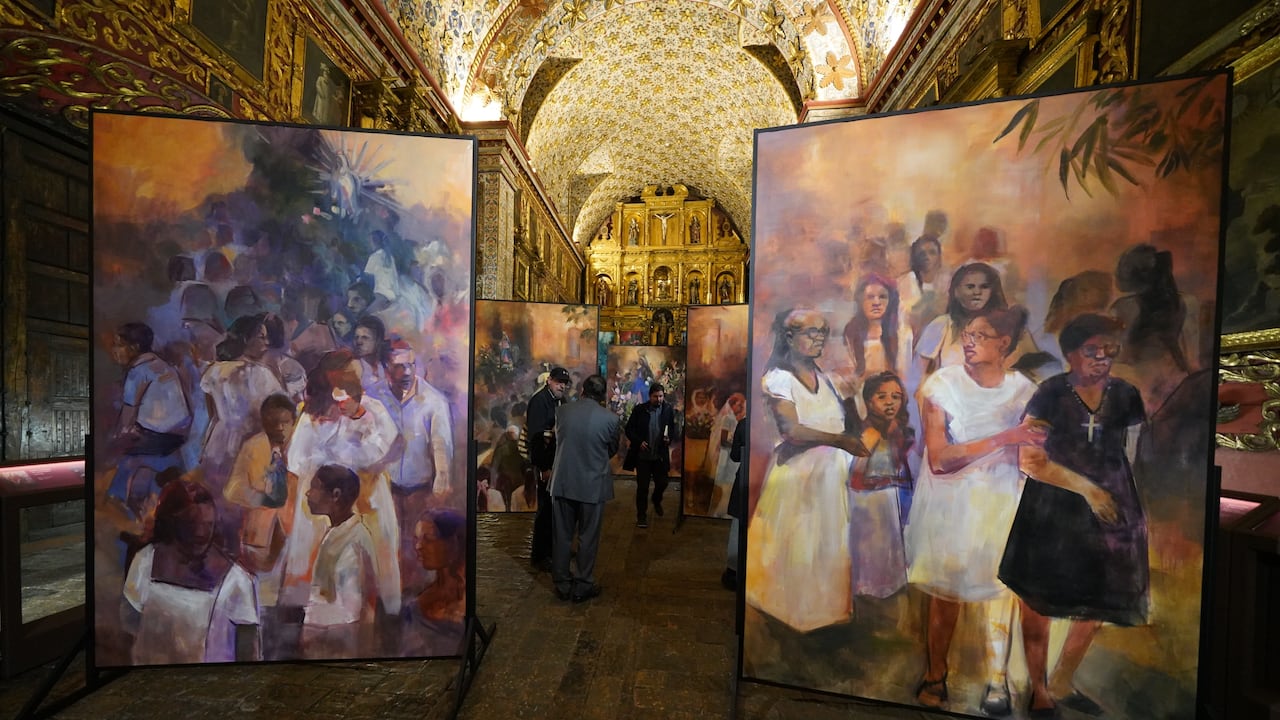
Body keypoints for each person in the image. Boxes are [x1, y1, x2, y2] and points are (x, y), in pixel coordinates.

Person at [999, 314, 1147, 717]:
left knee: (1100, 600)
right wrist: (1089, 489)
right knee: (1038, 600)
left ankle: (1063, 680)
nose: (1102, 359)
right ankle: (1039, 690)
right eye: (1091, 351)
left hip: (1109, 509)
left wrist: (1120, 498)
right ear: (1069, 354)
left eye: (1109, 352)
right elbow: (1030, 459)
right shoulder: (1050, 393)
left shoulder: (1127, 395)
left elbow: (1130, 454)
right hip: (1053, 507)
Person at [904, 307, 1043, 716]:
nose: (968, 341)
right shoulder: (942, 385)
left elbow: (1032, 453)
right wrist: (1006, 437)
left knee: (1000, 591)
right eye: (967, 334)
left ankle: (996, 682)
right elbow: (940, 459)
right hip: (951, 504)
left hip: (1000, 500)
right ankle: (936, 674)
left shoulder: (1023, 389)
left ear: (1005, 343)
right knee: (946, 592)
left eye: (981, 335)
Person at [744, 309, 868, 632]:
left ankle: (825, 615)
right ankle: (790, 618)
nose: (818, 340)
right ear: (789, 337)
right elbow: (792, 431)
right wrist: (840, 440)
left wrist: (853, 401)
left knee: (826, 546)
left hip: (829, 481)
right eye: (811, 333)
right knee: (796, 546)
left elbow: (849, 424)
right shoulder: (778, 379)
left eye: (823, 334)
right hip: (797, 481)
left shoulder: (827, 381)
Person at [123, 480, 259, 664]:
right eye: (190, 524)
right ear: (171, 523)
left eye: (208, 525)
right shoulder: (146, 561)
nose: (200, 533)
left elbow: (248, 654)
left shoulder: (237, 581)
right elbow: (129, 628)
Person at [381, 339, 454, 587]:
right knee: (386, 547)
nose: (407, 372)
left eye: (411, 365)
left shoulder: (434, 402)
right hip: (383, 492)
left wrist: (439, 489)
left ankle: (415, 599)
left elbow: (442, 449)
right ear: (385, 368)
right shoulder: (374, 398)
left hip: (419, 492)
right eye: (399, 366)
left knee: (417, 549)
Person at [106, 322, 192, 516]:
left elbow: (128, 415)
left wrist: (117, 437)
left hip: (155, 437)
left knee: (124, 450)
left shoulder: (138, 371)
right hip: (177, 436)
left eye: (118, 345)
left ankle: (118, 498)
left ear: (134, 348)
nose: (114, 350)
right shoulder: (164, 366)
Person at [548, 374, 622, 602]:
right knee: (588, 537)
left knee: (562, 535)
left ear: (582, 391)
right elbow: (611, 450)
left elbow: (558, 441)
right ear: (601, 397)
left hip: (563, 481)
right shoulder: (610, 419)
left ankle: (561, 583)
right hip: (592, 484)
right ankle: (582, 584)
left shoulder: (562, 412)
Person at [223, 394, 297, 608]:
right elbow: (232, 489)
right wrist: (260, 497)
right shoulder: (252, 447)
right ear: (264, 421)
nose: (281, 429)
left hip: (293, 535)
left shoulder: (303, 448)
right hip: (258, 537)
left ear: (294, 421)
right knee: (259, 601)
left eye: (286, 423)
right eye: (274, 423)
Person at [846, 372, 914, 598]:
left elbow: (901, 468)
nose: (890, 403)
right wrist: (887, 482)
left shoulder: (898, 431)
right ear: (868, 401)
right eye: (882, 397)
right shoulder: (869, 434)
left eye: (896, 397)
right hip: (868, 502)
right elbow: (855, 476)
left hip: (891, 500)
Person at [300, 464, 378, 659]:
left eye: (315, 487)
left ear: (335, 495)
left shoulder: (353, 541)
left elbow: (349, 610)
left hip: (336, 646)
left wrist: (312, 630)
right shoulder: (337, 532)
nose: (308, 494)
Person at [401, 508, 466, 655]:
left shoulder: (467, 600)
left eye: (428, 539)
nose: (418, 546)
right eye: (416, 539)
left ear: (454, 542)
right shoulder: (415, 602)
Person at [527, 366, 571, 568]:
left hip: (559, 461)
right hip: (546, 463)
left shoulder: (561, 401)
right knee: (544, 511)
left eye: (564, 383)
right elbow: (536, 438)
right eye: (558, 381)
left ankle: (555, 549)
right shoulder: (539, 401)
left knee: (557, 510)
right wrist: (543, 467)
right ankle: (540, 555)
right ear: (549, 381)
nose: (562, 385)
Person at [622, 382, 679, 527]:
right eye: (656, 396)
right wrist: (638, 441)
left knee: (663, 483)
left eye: (661, 396)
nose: (659, 399)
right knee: (642, 488)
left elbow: (672, 429)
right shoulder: (640, 410)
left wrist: (669, 437)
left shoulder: (667, 410)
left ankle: (656, 499)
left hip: (659, 455)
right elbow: (629, 429)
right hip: (643, 457)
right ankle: (641, 516)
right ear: (650, 396)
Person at [708, 393, 746, 517]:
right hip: (727, 453)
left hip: (733, 454)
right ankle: (720, 510)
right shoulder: (728, 418)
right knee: (724, 484)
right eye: (738, 405)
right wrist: (735, 445)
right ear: (732, 405)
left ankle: (725, 510)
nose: (740, 407)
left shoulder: (737, 418)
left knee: (730, 484)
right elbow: (724, 440)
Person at [721, 416, 747, 590]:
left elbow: (736, 456)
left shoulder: (745, 424)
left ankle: (733, 571)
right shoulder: (778, 421)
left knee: (738, 525)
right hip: (769, 480)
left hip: (746, 480)